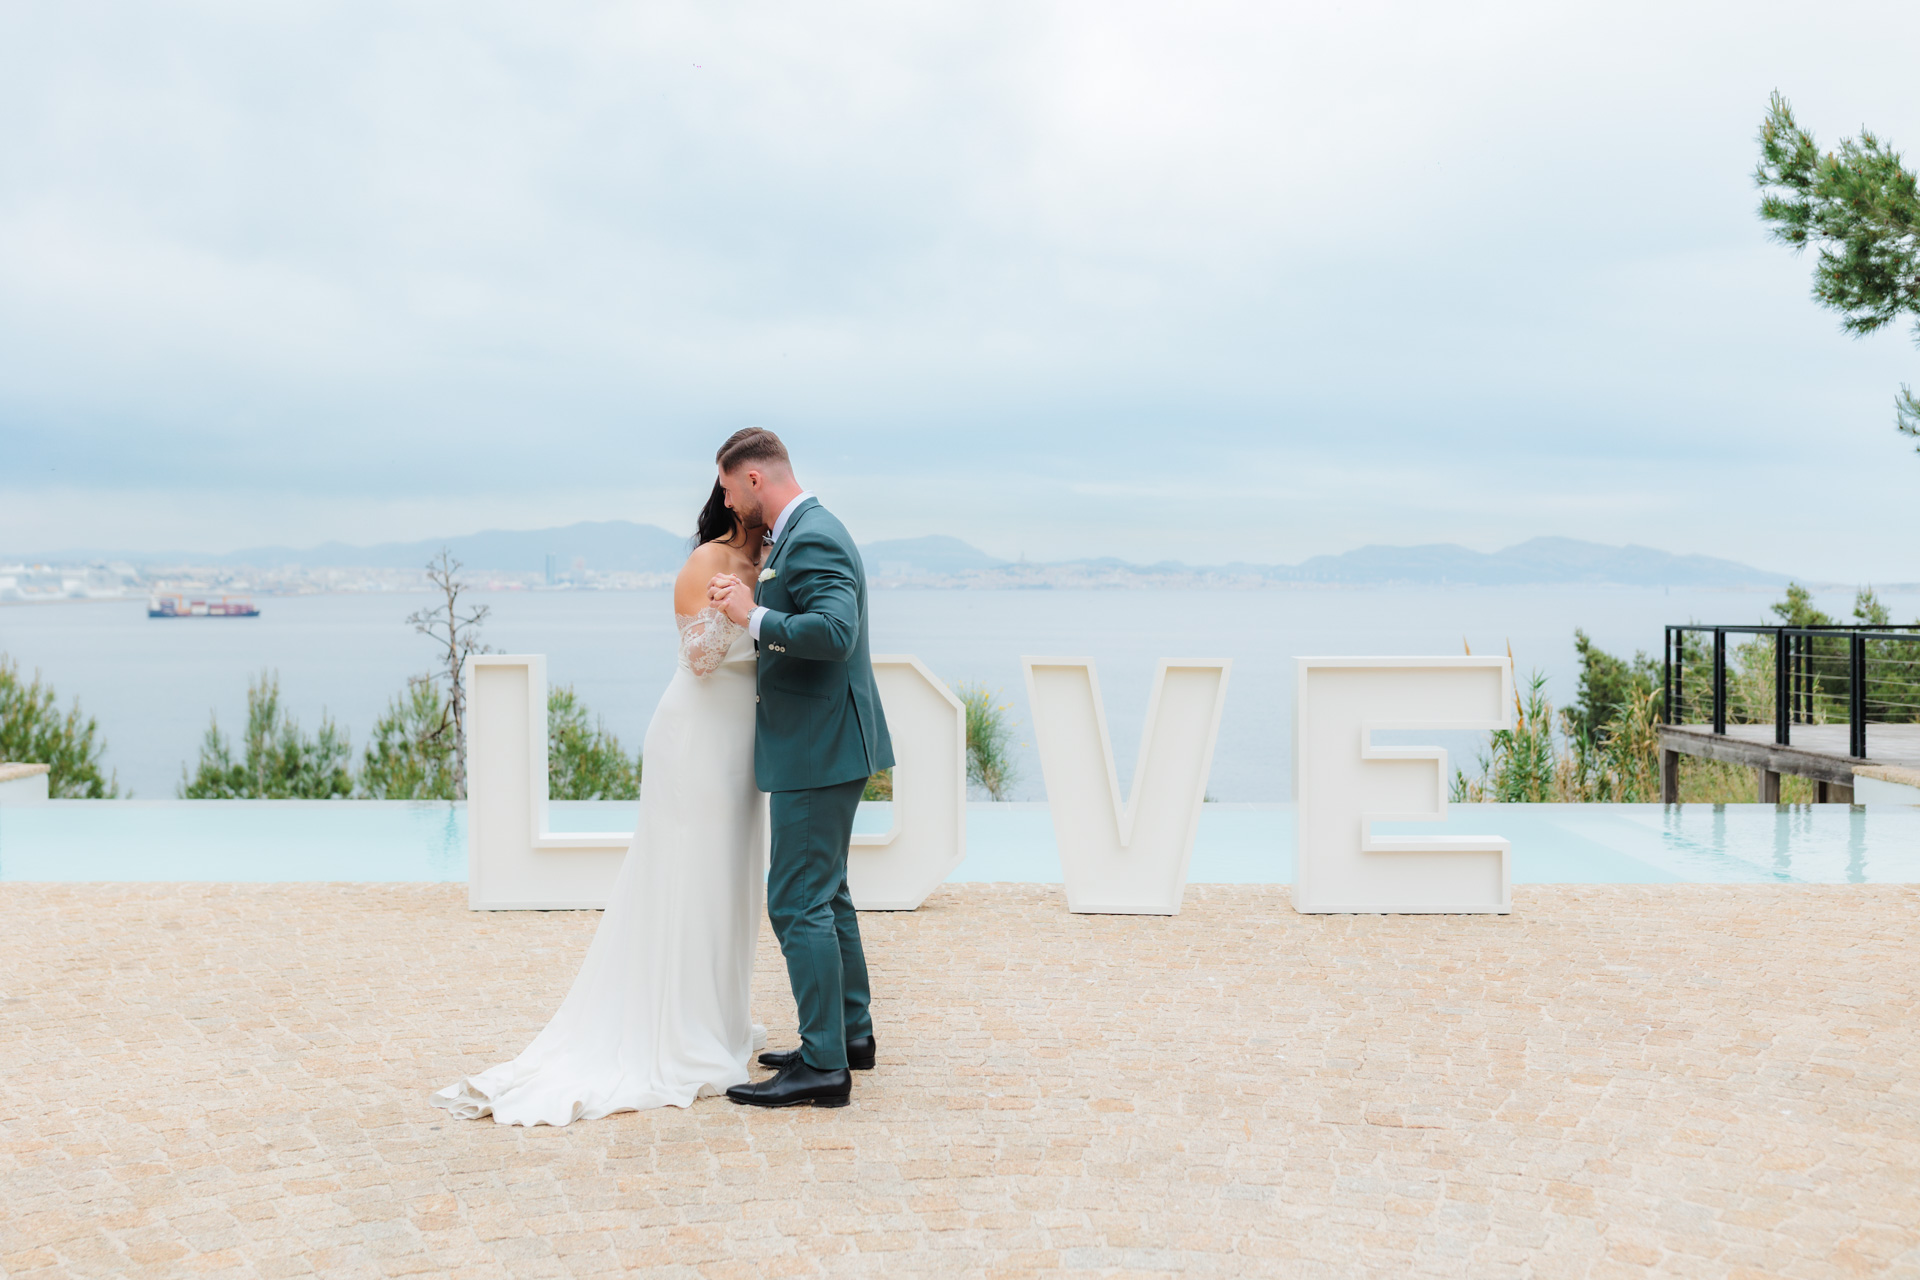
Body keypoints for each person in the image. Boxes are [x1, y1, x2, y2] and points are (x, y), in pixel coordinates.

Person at [429, 480, 771, 1125]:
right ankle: (678, 1029)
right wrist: (733, 609)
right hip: (695, 737)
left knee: (729, 878)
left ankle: (716, 1017)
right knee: (686, 876)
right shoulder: (707, 563)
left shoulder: (769, 563)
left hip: (743, 745)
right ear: (732, 496)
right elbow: (697, 659)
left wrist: (756, 605)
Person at [706, 427, 893, 1109]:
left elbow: (836, 632)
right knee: (828, 893)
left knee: (796, 902)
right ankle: (850, 1037)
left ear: (755, 479)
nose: (728, 502)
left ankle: (822, 1066)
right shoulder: (808, 531)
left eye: (729, 489)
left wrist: (750, 615)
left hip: (816, 747)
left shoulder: (812, 534)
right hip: (827, 740)